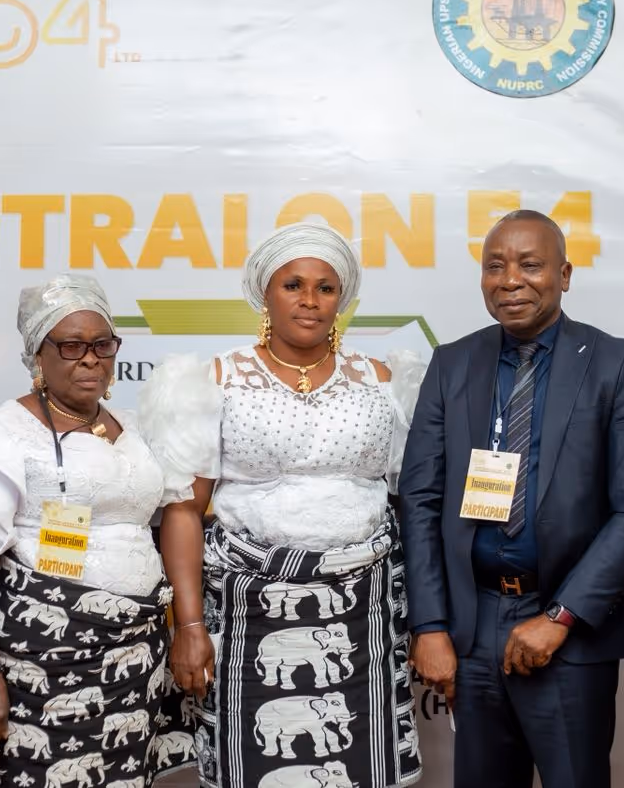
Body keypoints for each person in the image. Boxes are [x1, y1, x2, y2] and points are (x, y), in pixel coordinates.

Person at [139, 222, 426, 788]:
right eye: (293, 285)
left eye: (325, 287)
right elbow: (183, 511)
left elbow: (412, 503)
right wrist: (190, 624)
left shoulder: (386, 380)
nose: (310, 301)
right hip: (249, 607)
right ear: (265, 293)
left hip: (362, 606)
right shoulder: (215, 380)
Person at [399, 209, 624, 788]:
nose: (510, 279)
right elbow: (418, 499)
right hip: (473, 625)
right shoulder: (452, 364)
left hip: (566, 622)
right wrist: (431, 624)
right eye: (495, 266)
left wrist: (560, 616)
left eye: (530, 265)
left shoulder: (616, 363)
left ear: (564, 275)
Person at [0, 274, 196, 786]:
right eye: (71, 345)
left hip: (134, 657)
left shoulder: (135, 429)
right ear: (38, 355)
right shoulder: (3, 436)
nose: (90, 358)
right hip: (42, 658)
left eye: (102, 344)